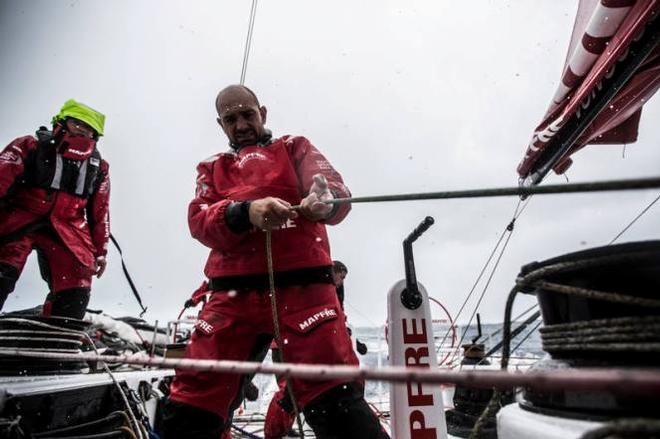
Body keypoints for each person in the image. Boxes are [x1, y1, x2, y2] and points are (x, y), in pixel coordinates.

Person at [162, 85, 388, 439]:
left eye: (247, 115)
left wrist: (323, 199)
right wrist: (245, 212)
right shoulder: (211, 169)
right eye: (231, 118)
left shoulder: (294, 147)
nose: (240, 124)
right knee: (192, 404)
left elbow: (334, 192)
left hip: (305, 295)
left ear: (262, 113)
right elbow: (200, 221)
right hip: (230, 301)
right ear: (220, 124)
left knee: (335, 400)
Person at [0, 99, 110, 319]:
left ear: (96, 137)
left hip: (68, 229)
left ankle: (59, 337)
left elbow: (100, 212)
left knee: (76, 280)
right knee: (4, 268)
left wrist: (100, 251)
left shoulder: (99, 168)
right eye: (77, 124)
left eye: (89, 129)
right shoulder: (29, 146)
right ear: (61, 122)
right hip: (18, 220)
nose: (82, 131)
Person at [264, 260, 369, 439]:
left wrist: (353, 340)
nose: (341, 281)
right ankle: (274, 432)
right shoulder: (314, 290)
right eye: (340, 276)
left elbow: (337, 321)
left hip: (308, 345)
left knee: (294, 392)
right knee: (288, 391)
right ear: (333, 272)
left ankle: (285, 427)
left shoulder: (332, 295)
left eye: (344, 279)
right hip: (287, 346)